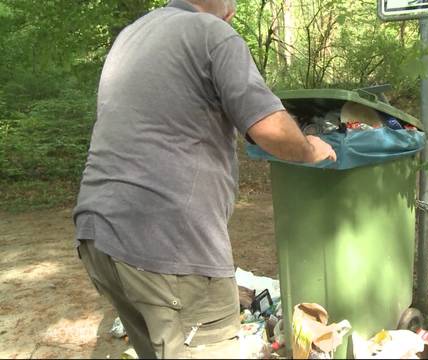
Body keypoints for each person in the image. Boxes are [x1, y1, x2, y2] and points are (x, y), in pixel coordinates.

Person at [73, 0, 336, 358]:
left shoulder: (132, 35)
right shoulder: (211, 33)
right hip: (168, 246)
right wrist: (310, 149)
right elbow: (270, 129)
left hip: (98, 237)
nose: (234, 11)